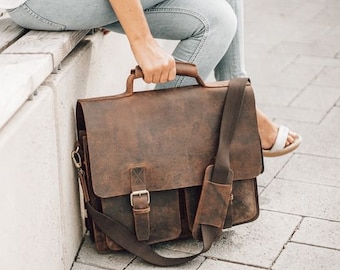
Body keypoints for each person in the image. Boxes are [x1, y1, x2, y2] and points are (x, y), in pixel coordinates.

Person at [1, 0, 301, 157]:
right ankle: (237, 109)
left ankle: (235, 99)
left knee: (217, 18)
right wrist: (140, 39)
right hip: (40, 3)